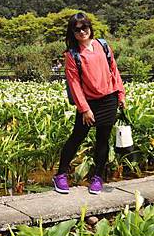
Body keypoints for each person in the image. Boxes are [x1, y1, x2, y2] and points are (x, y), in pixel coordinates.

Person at [53, 12, 125, 195]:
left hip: (109, 99)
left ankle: (97, 177)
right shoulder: (72, 55)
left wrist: (121, 94)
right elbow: (74, 84)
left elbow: (114, 70)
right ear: (72, 32)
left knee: (103, 140)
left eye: (84, 27)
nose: (81, 31)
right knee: (77, 137)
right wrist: (84, 109)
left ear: (90, 27)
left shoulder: (102, 45)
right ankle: (60, 175)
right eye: (76, 29)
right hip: (89, 103)